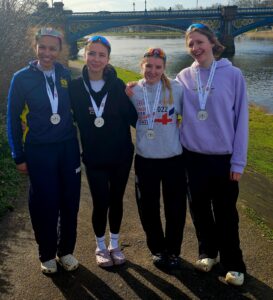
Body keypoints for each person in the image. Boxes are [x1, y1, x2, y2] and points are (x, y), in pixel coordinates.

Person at [176, 23, 248, 286]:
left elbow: (242, 120)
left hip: (223, 157)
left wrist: (238, 160)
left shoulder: (233, 74)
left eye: (199, 42)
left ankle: (234, 263)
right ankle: (208, 253)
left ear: (212, 43)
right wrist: (133, 88)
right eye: (191, 44)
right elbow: (162, 96)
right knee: (199, 210)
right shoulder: (184, 76)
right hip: (192, 157)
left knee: (226, 212)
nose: (195, 48)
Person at [7, 28, 81, 274]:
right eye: (43, 47)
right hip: (39, 150)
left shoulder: (65, 74)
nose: (47, 53)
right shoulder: (21, 78)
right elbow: (12, 118)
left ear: (60, 50)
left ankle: (66, 251)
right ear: (35, 47)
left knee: (70, 201)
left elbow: (86, 96)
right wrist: (18, 154)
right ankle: (47, 253)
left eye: (53, 48)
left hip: (68, 147)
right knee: (44, 203)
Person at [69, 36, 137, 268]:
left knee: (116, 200)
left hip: (121, 155)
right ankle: (100, 246)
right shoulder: (75, 87)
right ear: (84, 55)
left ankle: (114, 244)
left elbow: (134, 118)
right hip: (94, 157)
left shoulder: (118, 86)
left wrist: (140, 97)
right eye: (92, 53)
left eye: (101, 55)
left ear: (108, 59)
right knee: (100, 202)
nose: (96, 59)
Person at [128, 48, 187, 269]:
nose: (153, 71)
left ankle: (173, 250)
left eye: (158, 67)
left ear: (164, 68)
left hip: (173, 158)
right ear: (141, 66)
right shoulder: (133, 91)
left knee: (175, 208)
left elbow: (189, 118)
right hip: (146, 159)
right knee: (148, 207)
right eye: (148, 66)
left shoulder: (177, 89)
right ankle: (157, 249)